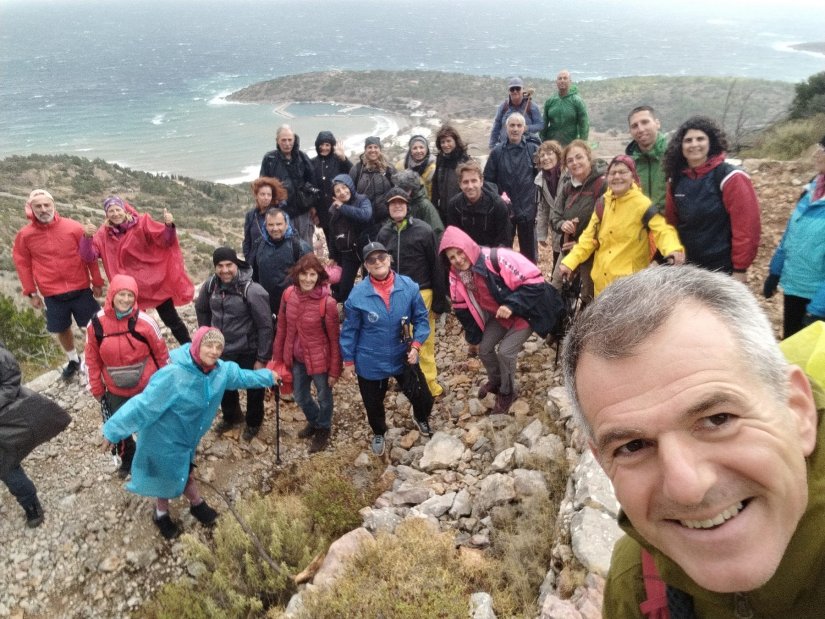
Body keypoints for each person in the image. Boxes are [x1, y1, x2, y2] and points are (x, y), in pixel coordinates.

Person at [560, 265, 825, 617]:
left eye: (718, 419)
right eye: (633, 446)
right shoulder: (635, 586)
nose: (687, 488)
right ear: (603, 463)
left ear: (798, 411)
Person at [102, 326, 279, 539]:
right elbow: (143, 405)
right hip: (163, 436)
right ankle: (165, 513)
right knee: (167, 474)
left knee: (182, 470)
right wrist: (113, 430)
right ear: (197, 345)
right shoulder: (174, 374)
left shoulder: (221, 371)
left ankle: (192, 505)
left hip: (188, 435)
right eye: (208, 345)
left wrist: (268, 376)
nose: (214, 351)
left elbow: (243, 377)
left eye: (218, 347)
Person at [340, 242, 432, 456]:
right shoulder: (357, 295)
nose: (377, 262)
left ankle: (420, 416)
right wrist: (348, 361)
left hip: (403, 354)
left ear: (389, 259)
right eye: (371, 260)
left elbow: (421, 319)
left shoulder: (409, 286)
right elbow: (350, 330)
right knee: (373, 403)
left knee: (423, 396)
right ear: (366, 266)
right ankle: (379, 432)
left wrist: (416, 345)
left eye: (381, 257)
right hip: (370, 359)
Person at [439, 226, 541, 414]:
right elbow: (460, 306)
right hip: (499, 315)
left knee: (505, 352)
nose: (458, 260)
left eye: (460, 252)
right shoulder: (456, 274)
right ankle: (498, 381)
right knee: (484, 349)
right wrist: (474, 337)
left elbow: (535, 280)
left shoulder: (495, 258)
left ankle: (508, 392)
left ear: (468, 247)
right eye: (452, 257)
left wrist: (511, 305)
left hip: (524, 312)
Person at [558, 155, 685, 296]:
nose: (617, 176)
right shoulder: (602, 203)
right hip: (601, 286)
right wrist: (569, 262)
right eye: (612, 173)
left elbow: (662, 230)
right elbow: (587, 239)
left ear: (632, 176)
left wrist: (673, 249)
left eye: (622, 172)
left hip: (630, 288)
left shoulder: (642, 204)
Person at [13, 189, 104, 380]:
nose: (43, 209)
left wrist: (96, 281)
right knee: (62, 329)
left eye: (47, 205)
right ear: (31, 209)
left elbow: (89, 256)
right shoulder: (25, 235)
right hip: (52, 293)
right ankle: (73, 359)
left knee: (94, 325)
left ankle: (100, 356)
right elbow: (23, 264)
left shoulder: (73, 227)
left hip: (80, 288)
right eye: (38, 206)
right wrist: (31, 293)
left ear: (53, 205)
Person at [85, 274, 170, 478]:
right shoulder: (96, 325)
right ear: (112, 295)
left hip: (146, 385)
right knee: (121, 426)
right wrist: (96, 387)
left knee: (151, 424)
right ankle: (128, 458)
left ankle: (154, 457)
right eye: (121, 294)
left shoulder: (146, 322)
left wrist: (166, 382)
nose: (126, 300)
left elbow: (161, 354)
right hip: (116, 389)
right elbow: (91, 359)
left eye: (130, 295)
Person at [80, 196, 194, 345]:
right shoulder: (103, 235)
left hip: (154, 284)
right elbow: (89, 256)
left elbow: (166, 240)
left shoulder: (141, 224)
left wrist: (168, 225)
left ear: (124, 210)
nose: (115, 214)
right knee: (135, 325)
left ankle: (189, 348)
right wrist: (87, 237)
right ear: (106, 214)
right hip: (128, 289)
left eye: (118, 209)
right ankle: (145, 353)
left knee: (171, 320)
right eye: (111, 211)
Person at [664, 115, 761, 280]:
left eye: (700, 139)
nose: (694, 144)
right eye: (688, 140)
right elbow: (670, 224)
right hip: (687, 267)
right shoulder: (676, 180)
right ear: (681, 146)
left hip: (721, 268)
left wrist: (740, 269)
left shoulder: (730, 177)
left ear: (711, 142)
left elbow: (746, 228)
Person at [195, 248, 273, 441]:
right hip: (221, 349)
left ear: (236, 264)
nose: (225, 270)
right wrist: (207, 336)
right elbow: (201, 308)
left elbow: (265, 326)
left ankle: (254, 422)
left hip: (248, 349)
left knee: (254, 387)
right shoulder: (210, 286)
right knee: (223, 385)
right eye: (220, 266)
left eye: (229, 265)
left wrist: (262, 358)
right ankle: (232, 417)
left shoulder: (252, 290)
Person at [377, 188, 450, 399]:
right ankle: (409, 380)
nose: (397, 206)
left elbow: (437, 266)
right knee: (398, 340)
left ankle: (430, 386)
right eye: (393, 203)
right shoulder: (384, 234)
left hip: (421, 292)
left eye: (401, 202)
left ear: (408, 206)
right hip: (393, 294)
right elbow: (376, 266)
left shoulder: (424, 230)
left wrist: (439, 300)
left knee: (422, 340)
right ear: (388, 208)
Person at [272, 254, 341, 453]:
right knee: (300, 396)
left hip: (321, 361)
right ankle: (315, 420)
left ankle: (323, 428)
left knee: (324, 397)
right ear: (297, 274)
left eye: (312, 275)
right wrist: (277, 360)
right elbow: (282, 328)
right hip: (297, 358)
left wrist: (334, 371)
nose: (308, 279)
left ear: (319, 277)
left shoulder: (327, 303)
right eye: (304, 274)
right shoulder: (288, 295)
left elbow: (334, 339)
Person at [763, 135, 825, 338]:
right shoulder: (811, 190)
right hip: (795, 288)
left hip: (818, 298)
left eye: (823, 149)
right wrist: (775, 272)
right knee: (792, 344)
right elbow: (790, 235)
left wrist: (818, 309)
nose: (817, 154)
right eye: (820, 147)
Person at [549, 140, 607, 305]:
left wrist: (580, 244)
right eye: (570, 160)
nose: (575, 163)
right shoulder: (567, 186)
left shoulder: (603, 184)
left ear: (589, 157)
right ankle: (560, 320)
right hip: (568, 248)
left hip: (592, 251)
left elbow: (606, 223)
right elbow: (555, 216)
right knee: (555, 288)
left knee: (588, 296)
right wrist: (562, 224)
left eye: (579, 157)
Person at [485, 113, 540, 264]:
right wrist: (498, 199)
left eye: (519, 125)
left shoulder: (533, 150)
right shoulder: (497, 152)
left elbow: (541, 177)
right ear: (506, 127)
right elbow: (488, 180)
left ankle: (530, 277)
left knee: (529, 254)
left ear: (524, 128)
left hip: (527, 209)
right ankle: (504, 276)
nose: (515, 129)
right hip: (504, 211)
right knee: (503, 252)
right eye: (512, 125)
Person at [0, 342, 45, 528]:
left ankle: (30, 504)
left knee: (6, 466)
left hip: (3, 421)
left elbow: (11, 382)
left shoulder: (2, 356)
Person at [259, 125, 317, 246]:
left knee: (306, 246)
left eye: (290, 140)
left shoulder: (302, 158)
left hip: (303, 212)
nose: (287, 143)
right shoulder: (270, 159)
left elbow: (313, 182)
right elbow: (263, 186)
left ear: (294, 139)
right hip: (281, 213)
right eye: (283, 140)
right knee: (286, 247)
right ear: (277, 140)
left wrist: (313, 206)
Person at [251, 207, 312, 316]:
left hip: (292, 305)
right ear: (265, 226)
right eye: (271, 225)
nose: (275, 228)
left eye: (279, 224)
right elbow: (254, 274)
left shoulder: (299, 246)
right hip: (266, 305)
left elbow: (312, 278)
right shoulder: (259, 245)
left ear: (286, 224)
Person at [445, 160, 511, 249]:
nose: (470, 186)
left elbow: (504, 240)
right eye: (465, 182)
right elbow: (454, 238)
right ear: (460, 184)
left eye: (474, 181)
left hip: (492, 253)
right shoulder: (454, 206)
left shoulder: (497, 205)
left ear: (481, 181)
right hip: (465, 253)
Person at [327, 174, 373, 303]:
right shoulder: (334, 209)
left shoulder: (362, 200)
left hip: (366, 249)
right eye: (337, 191)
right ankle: (347, 308)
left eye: (344, 187)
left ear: (350, 187)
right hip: (348, 253)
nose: (342, 192)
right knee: (344, 287)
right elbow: (333, 234)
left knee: (369, 282)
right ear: (334, 195)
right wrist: (332, 256)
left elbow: (365, 215)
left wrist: (343, 207)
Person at [311, 131, 353, 256]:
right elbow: (309, 185)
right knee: (330, 240)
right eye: (321, 145)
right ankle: (335, 264)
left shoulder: (338, 160)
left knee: (344, 238)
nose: (324, 148)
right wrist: (313, 209)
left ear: (332, 146)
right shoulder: (312, 163)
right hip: (322, 211)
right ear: (317, 146)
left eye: (327, 145)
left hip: (340, 208)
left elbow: (352, 174)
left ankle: (347, 262)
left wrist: (344, 158)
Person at [349, 136, 395, 240]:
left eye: (376, 147)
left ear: (380, 149)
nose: (373, 150)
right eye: (369, 147)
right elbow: (350, 193)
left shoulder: (389, 169)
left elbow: (396, 191)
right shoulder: (357, 170)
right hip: (364, 220)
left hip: (386, 219)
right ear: (365, 150)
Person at [625, 105, 668, 211]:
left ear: (657, 123)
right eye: (634, 126)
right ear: (630, 131)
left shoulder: (674, 155)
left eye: (645, 122)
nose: (640, 129)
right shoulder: (627, 164)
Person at [243, 177, 288, 267]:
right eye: (262, 194)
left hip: (275, 261)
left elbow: (288, 236)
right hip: (255, 263)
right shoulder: (251, 215)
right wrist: (248, 259)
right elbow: (247, 241)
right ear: (256, 195)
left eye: (269, 195)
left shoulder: (279, 213)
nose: (266, 198)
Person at [489, 76, 542, 149]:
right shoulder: (503, 107)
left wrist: (527, 128)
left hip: (526, 148)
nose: (515, 91)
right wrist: (492, 147)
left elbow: (540, 125)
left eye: (518, 88)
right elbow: (496, 127)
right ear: (509, 91)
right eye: (512, 89)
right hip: (506, 148)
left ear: (523, 90)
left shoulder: (531, 106)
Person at [431, 124, 471, 221]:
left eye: (448, 141)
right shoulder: (440, 159)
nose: (445, 145)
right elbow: (435, 183)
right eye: (442, 142)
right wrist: (434, 205)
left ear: (455, 141)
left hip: (460, 211)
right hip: (443, 210)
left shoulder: (464, 161)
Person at [392, 170, 445, 240]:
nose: (402, 193)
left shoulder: (424, 205)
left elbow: (437, 231)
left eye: (406, 189)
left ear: (413, 189)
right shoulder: (397, 203)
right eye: (400, 189)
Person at [534, 140, 564, 261]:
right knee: (557, 258)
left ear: (558, 155)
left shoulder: (568, 174)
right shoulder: (541, 180)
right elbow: (543, 208)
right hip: (556, 227)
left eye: (549, 153)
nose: (545, 158)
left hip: (573, 228)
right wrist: (541, 234)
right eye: (542, 155)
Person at [395, 135, 436, 199]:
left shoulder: (434, 167)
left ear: (426, 149)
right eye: (415, 148)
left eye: (421, 147)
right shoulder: (400, 166)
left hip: (427, 202)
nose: (418, 151)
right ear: (410, 151)